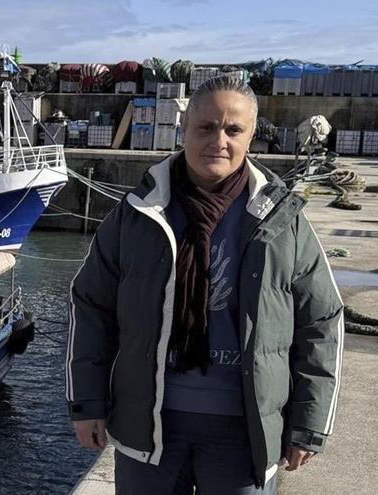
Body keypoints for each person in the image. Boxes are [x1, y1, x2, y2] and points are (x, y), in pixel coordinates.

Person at [65, 75, 343, 494]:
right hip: (149, 426)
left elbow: (321, 320)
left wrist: (310, 422)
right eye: (206, 127)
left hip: (244, 432)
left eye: (233, 129)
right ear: (184, 129)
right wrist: (87, 401)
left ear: (251, 135)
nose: (219, 141)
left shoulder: (281, 219)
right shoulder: (138, 214)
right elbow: (91, 306)